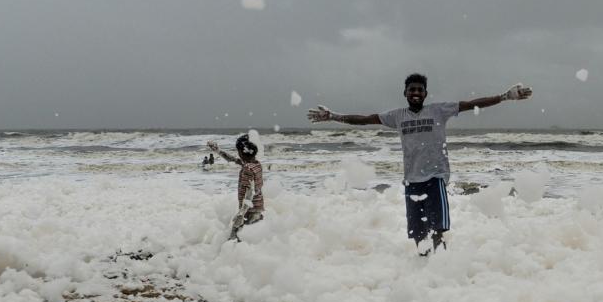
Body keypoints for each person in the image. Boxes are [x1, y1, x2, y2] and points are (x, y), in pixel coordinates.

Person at [307, 73, 532, 254]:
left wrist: (505, 96)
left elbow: (472, 103)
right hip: (412, 181)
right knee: (418, 235)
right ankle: (423, 274)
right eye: (412, 89)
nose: (415, 93)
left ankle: (442, 273)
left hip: (435, 178)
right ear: (405, 93)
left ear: (425, 93)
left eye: (419, 90)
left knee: (439, 230)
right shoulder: (397, 116)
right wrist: (333, 116)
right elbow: (364, 120)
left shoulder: (438, 110)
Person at [207, 134, 264, 240]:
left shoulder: (247, 169)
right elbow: (233, 160)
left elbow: (250, 192)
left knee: (234, 238)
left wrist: (241, 214)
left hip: (248, 212)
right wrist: (218, 150)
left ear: (242, 153)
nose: (237, 154)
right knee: (250, 242)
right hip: (257, 210)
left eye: (238, 151)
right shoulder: (256, 164)